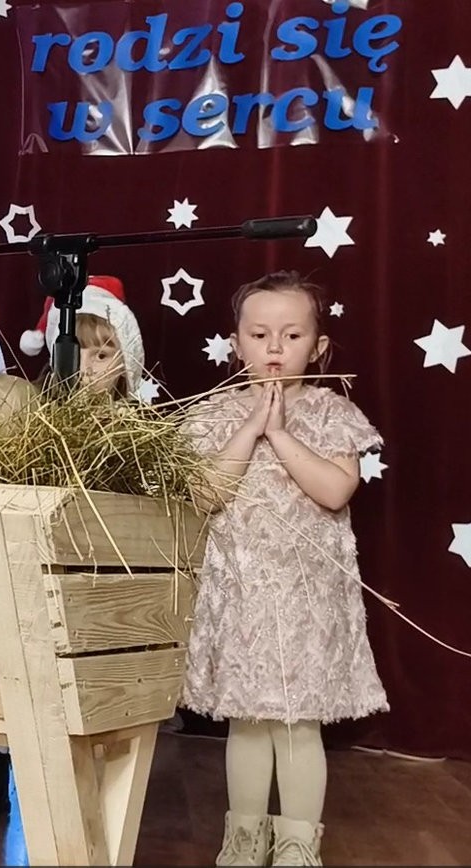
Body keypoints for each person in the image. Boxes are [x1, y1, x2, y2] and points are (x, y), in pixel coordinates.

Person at [182, 271, 386, 866]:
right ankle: (244, 837)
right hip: (240, 592)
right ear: (236, 342)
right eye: (259, 334)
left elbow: (335, 489)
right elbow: (207, 494)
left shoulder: (331, 412)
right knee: (247, 719)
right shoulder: (215, 413)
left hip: (306, 597)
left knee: (298, 722)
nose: (275, 347)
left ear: (317, 346)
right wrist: (251, 427)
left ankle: (297, 840)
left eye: (292, 335)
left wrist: (279, 433)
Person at [0, 275, 147, 826]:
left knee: (75, 694)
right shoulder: (29, 417)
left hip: (95, 579)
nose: (89, 367)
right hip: (28, 573)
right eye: (78, 352)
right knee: (9, 677)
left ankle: (80, 796)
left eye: (104, 353)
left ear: (125, 361)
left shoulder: (132, 430)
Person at [19, 274, 145, 397]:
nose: (84, 370)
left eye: (101, 356)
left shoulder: (139, 409)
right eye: (71, 355)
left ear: (125, 363)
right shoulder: (28, 401)